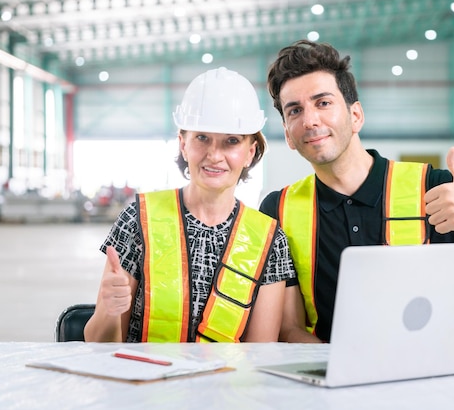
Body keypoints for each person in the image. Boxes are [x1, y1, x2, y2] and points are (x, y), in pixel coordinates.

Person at [259, 40, 454, 343]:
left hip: (437, 379)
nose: (310, 120)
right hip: (333, 382)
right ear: (287, 134)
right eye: (295, 111)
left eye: (323, 103)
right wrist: (341, 369)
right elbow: (289, 328)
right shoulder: (280, 210)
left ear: (356, 116)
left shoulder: (439, 189)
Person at [84, 67, 296, 343]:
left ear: (250, 152)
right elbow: (97, 343)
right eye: (202, 138)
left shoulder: (270, 241)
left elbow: (259, 356)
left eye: (231, 141)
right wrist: (110, 311)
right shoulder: (139, 219)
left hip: (226, 384)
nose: (214, 155)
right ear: (183, 144)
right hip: (142, 383)